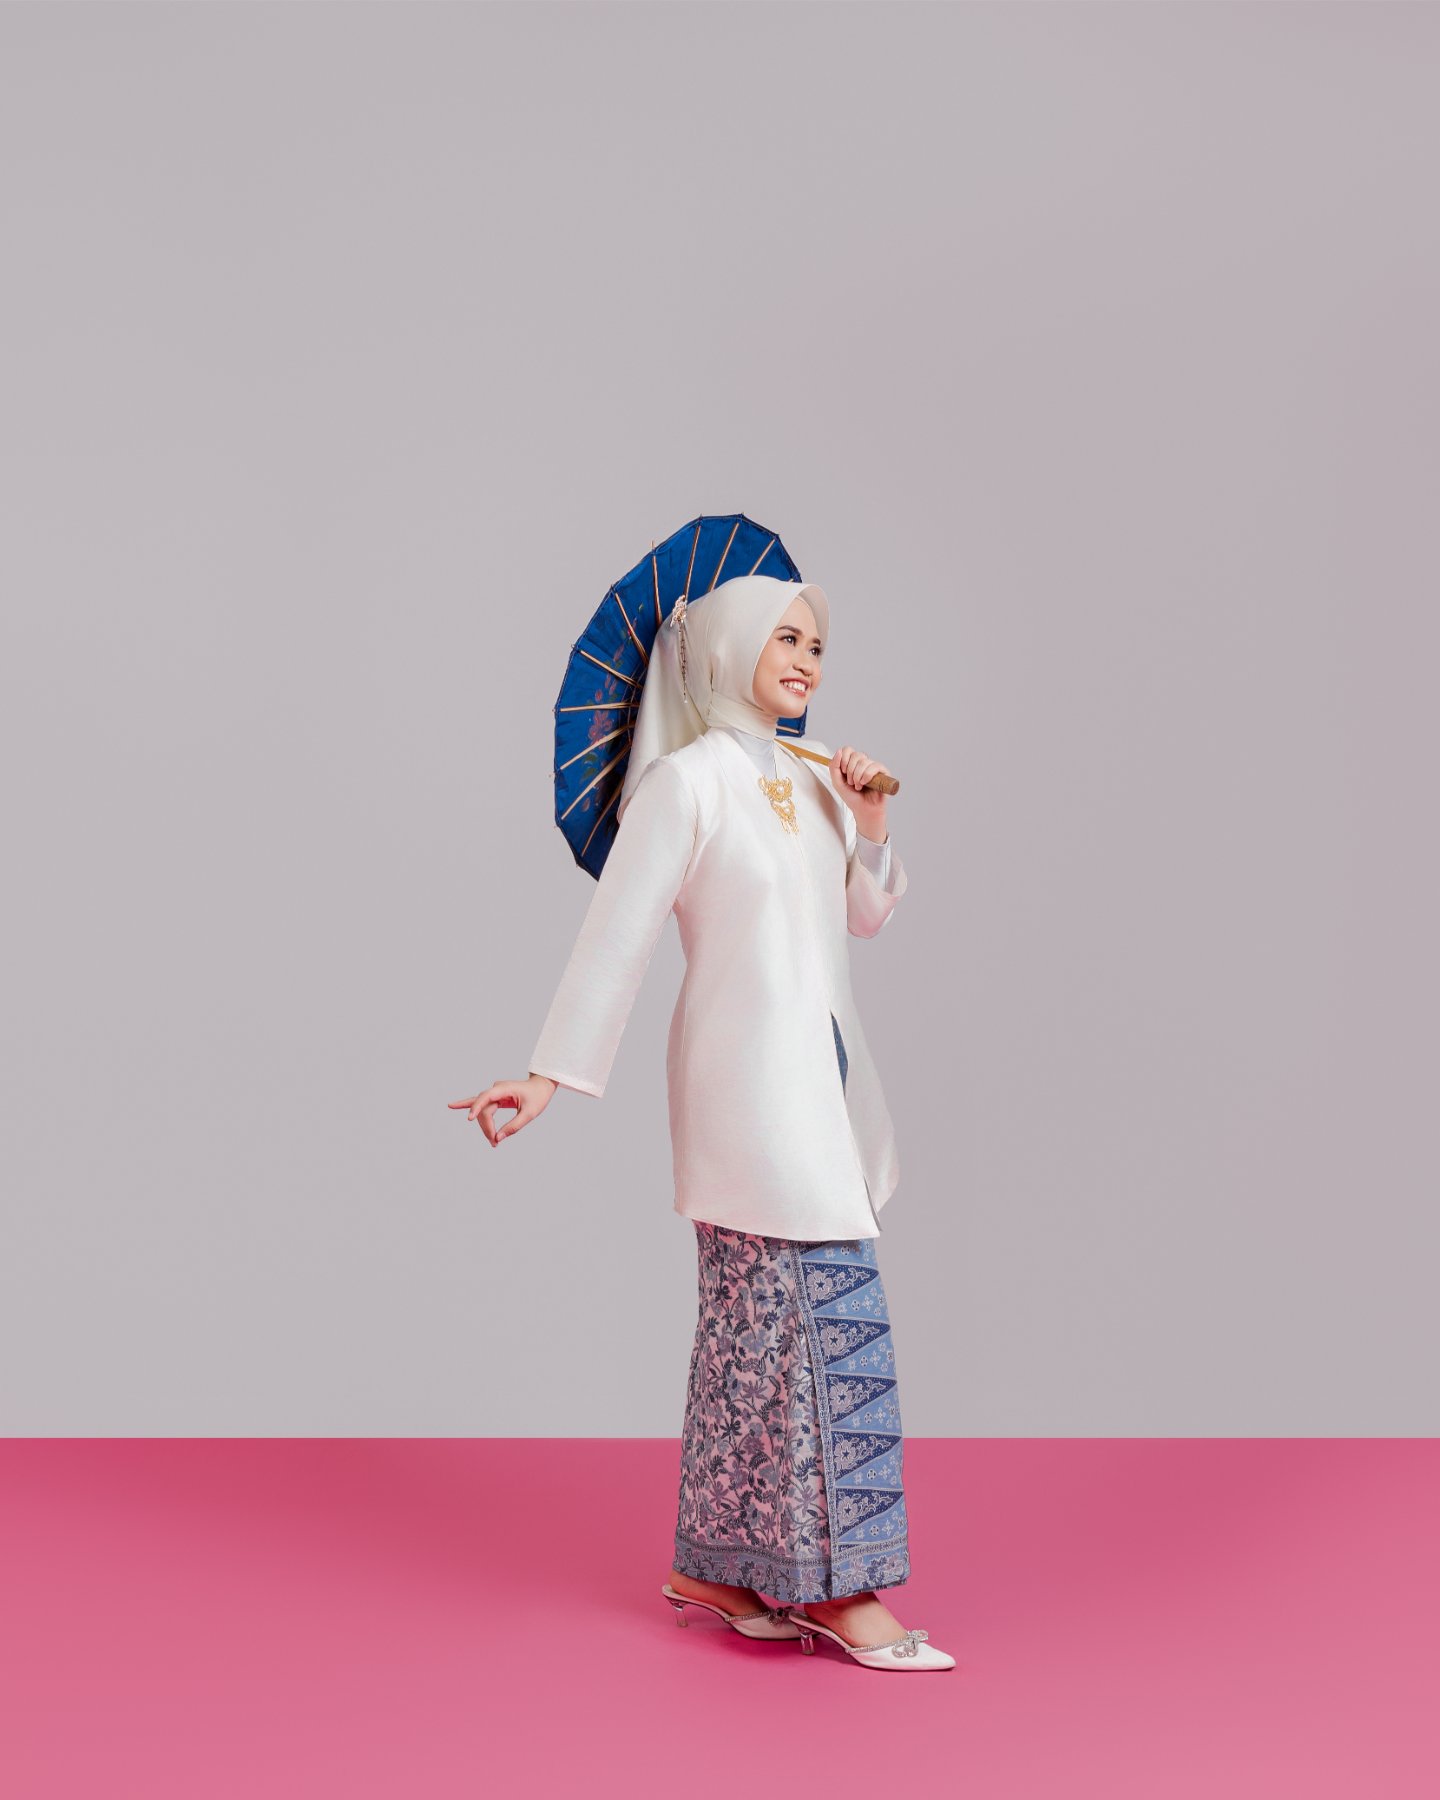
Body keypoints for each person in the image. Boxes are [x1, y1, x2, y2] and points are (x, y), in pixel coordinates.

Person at [451, 573, 953, 1671]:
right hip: (746, 1090)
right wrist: (548, 1076)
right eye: (786, 637)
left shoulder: (815, 780)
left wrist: (870, 824)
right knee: (822, 1325)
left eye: (817, 645)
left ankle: (716, 1568)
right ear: (727, 647)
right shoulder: (686, 784)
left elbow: (862, 916)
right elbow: (619, 933)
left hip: (825, 1081)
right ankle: (842, 1588)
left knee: (749, 1336)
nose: (808, 660)